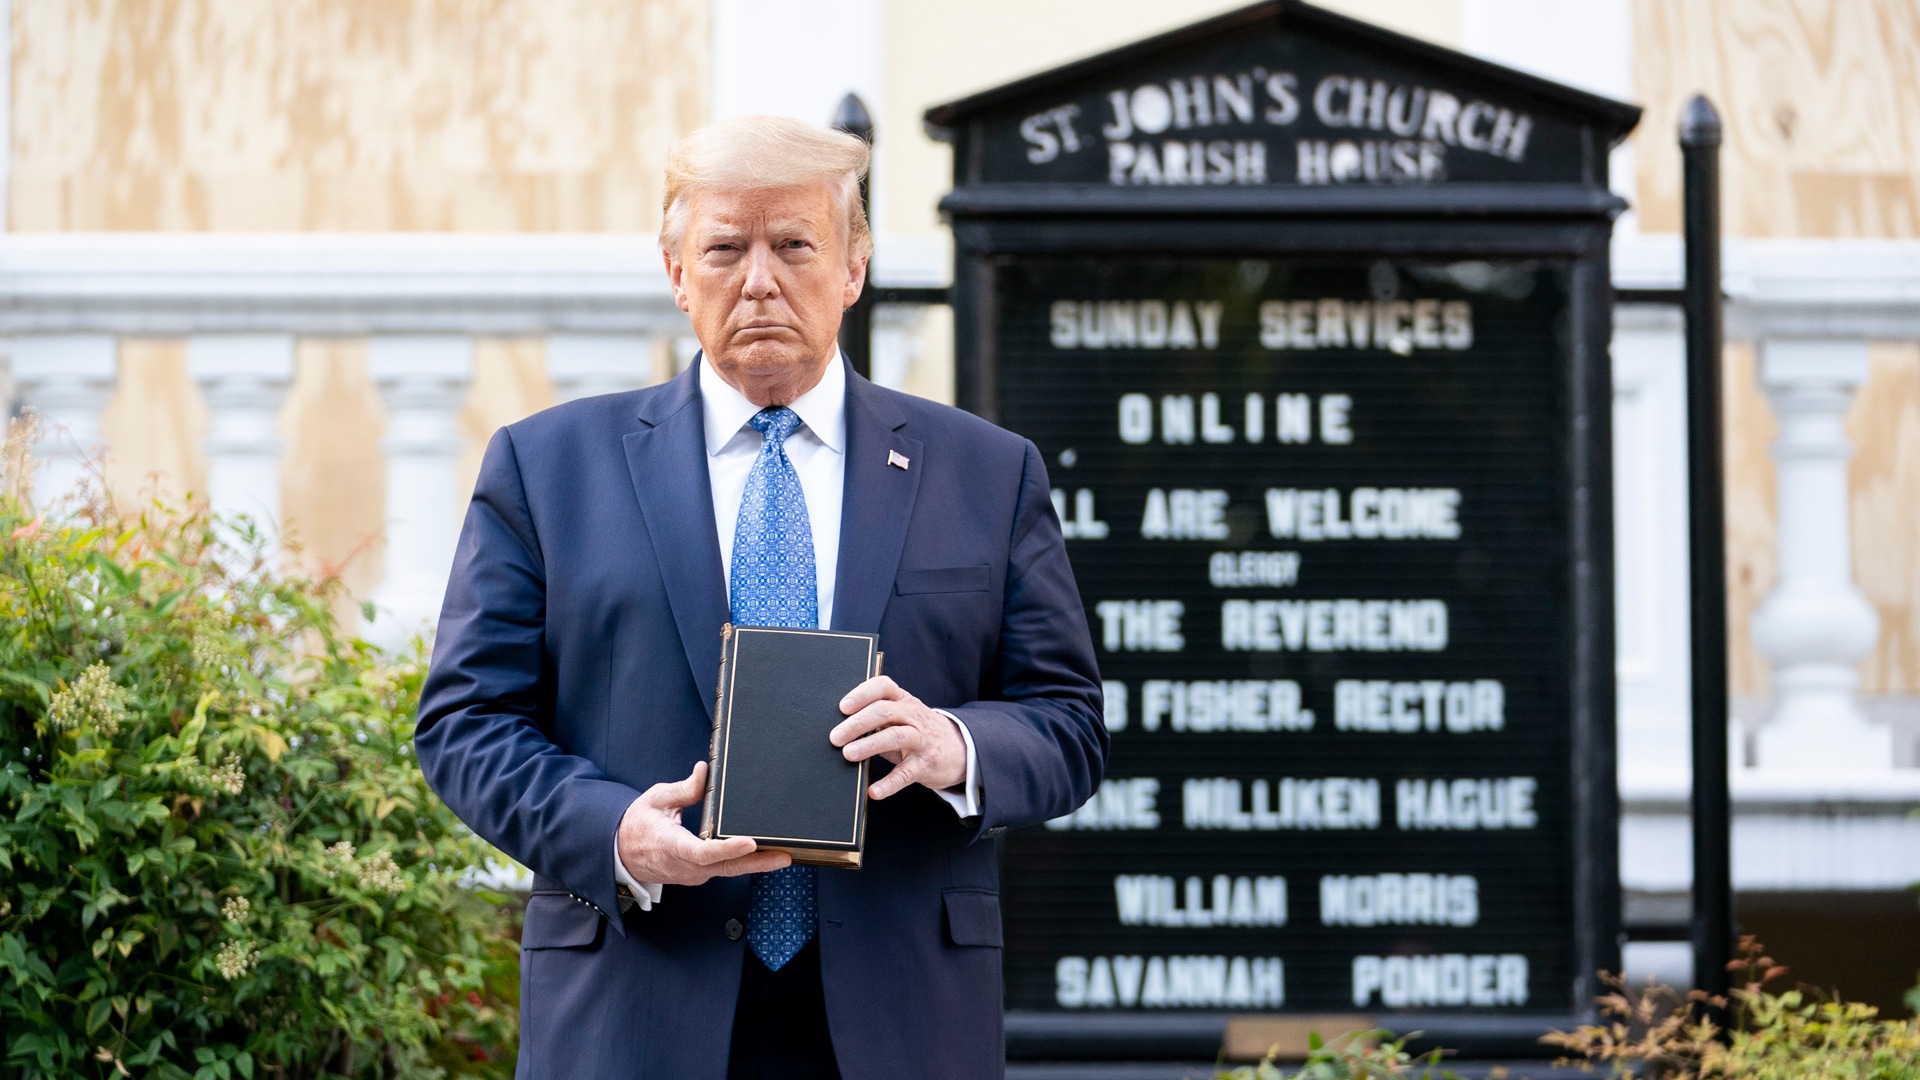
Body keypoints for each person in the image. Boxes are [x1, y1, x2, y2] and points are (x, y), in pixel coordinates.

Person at [414, 115, 1107, 1080]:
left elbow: (1070, 724)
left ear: (855, 267)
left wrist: (956, 747)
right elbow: (464, 722)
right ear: (674, 273)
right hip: (636, 1004)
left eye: (793, 245)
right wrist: (613, 832)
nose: (759, 280)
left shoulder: (986, 473)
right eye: (725, 249)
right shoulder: (546, 467)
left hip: (900, 1016)